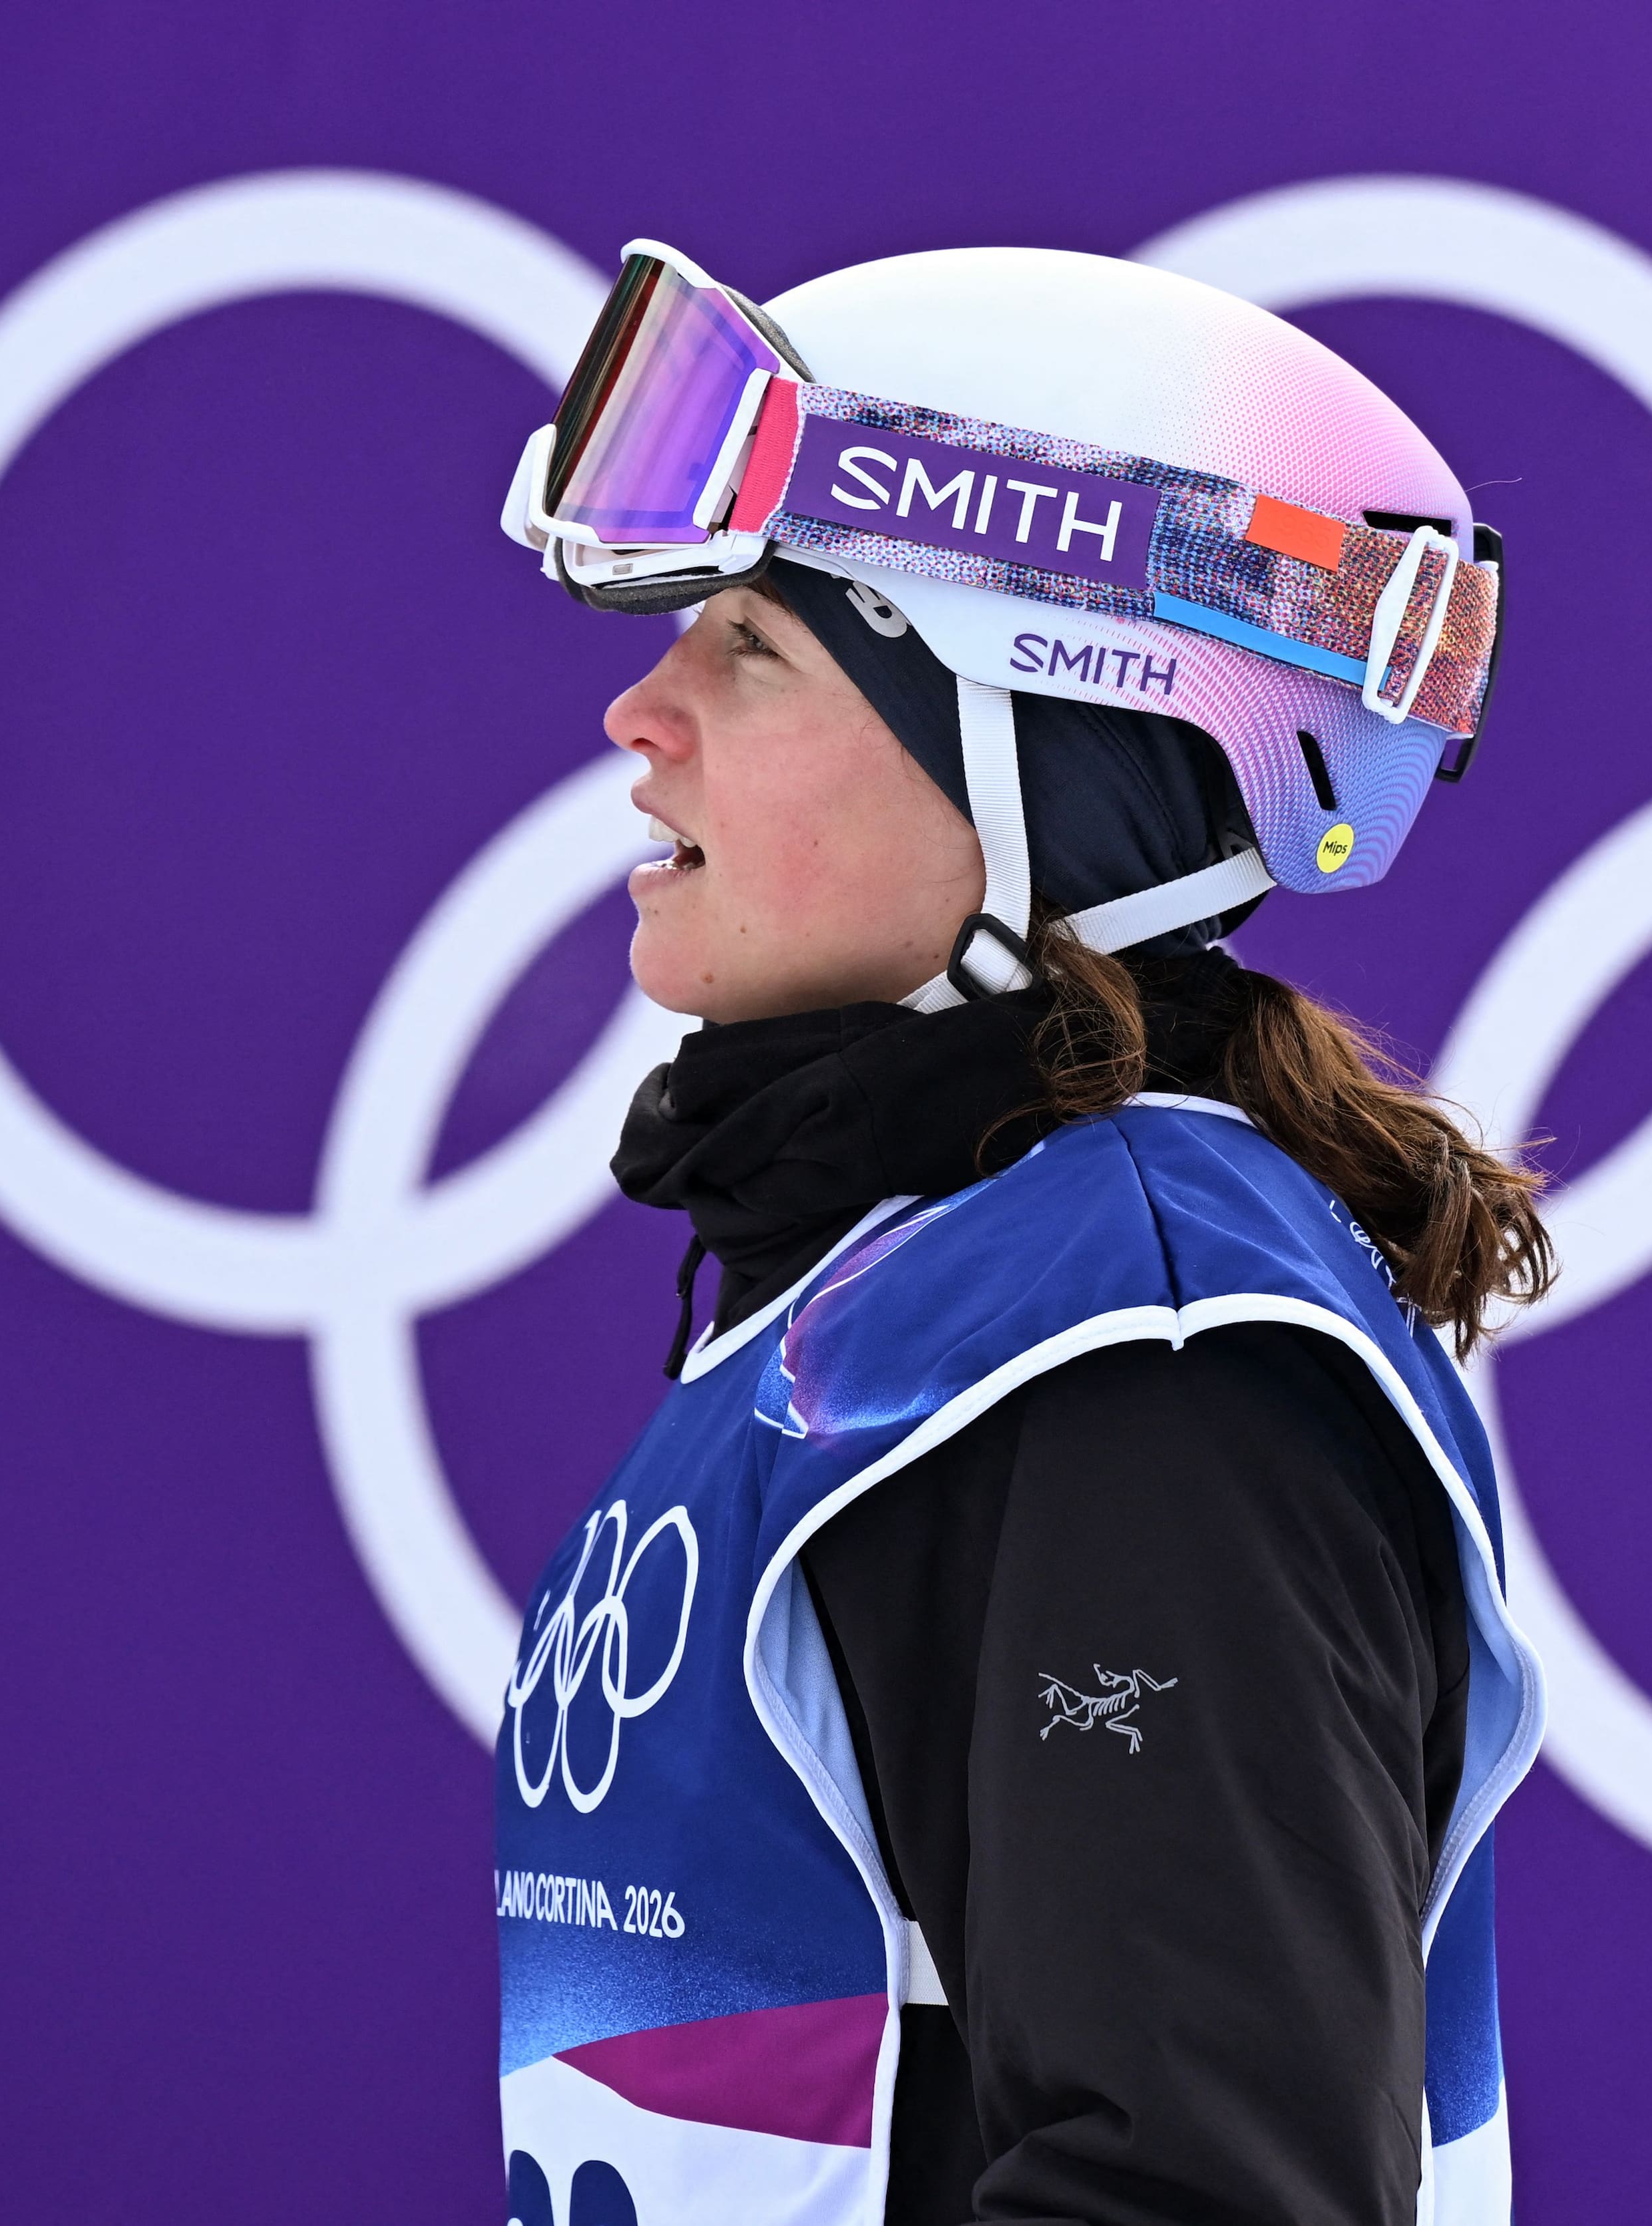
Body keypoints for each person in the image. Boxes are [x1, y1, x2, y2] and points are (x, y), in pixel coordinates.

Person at [488, 238, 1548, 2226]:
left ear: (1037, 758)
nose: (642, 712)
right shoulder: (910, 1301)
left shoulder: (1141, 1368)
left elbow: (1203, 2192)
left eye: (755, 647)